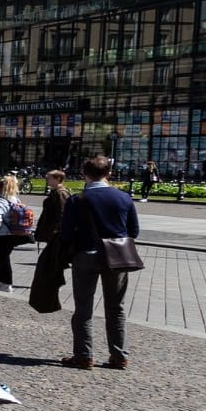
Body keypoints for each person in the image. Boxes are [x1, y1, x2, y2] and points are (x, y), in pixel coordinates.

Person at [59, 154, 140, 369]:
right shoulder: (124, 198)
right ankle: (119, 355)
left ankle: (84, 355)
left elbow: (65, 233)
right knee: (116, 308)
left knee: (83, 307)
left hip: (85, 254)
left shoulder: (77, 200)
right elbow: (134, 231)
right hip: (117, 256)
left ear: (84, 174)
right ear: (109, 174)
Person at [0, 174, 34, 293]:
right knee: (3, 258)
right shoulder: (15, 199)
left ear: (0, 187)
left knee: (3, 260)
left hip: (1, 234)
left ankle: (7, 283)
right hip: (15, 232)